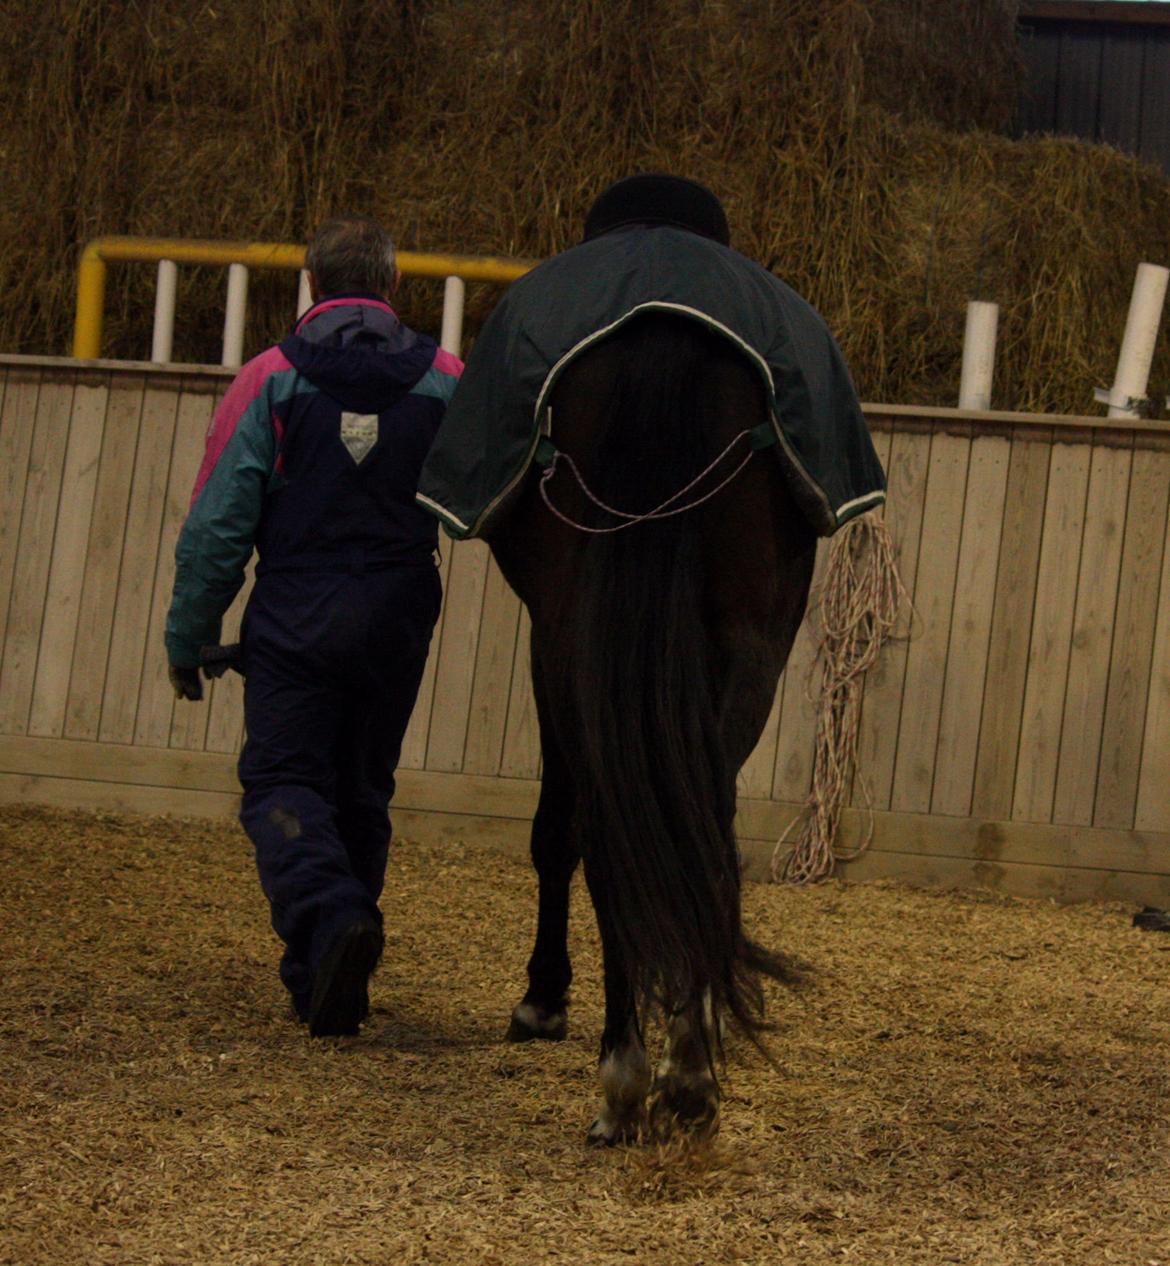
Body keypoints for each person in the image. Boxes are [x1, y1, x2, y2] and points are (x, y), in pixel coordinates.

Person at [165, 215, 462, 1036]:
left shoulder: (269, 377)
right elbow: (486, 490)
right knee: (362, 791)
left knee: (284, 784)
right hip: (400, 608)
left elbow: (220, 526)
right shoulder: (446, 377)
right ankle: (329, 985)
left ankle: (333, 921)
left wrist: (188, 636)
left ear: (310, 284)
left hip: (298, 608)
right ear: (393, 286)